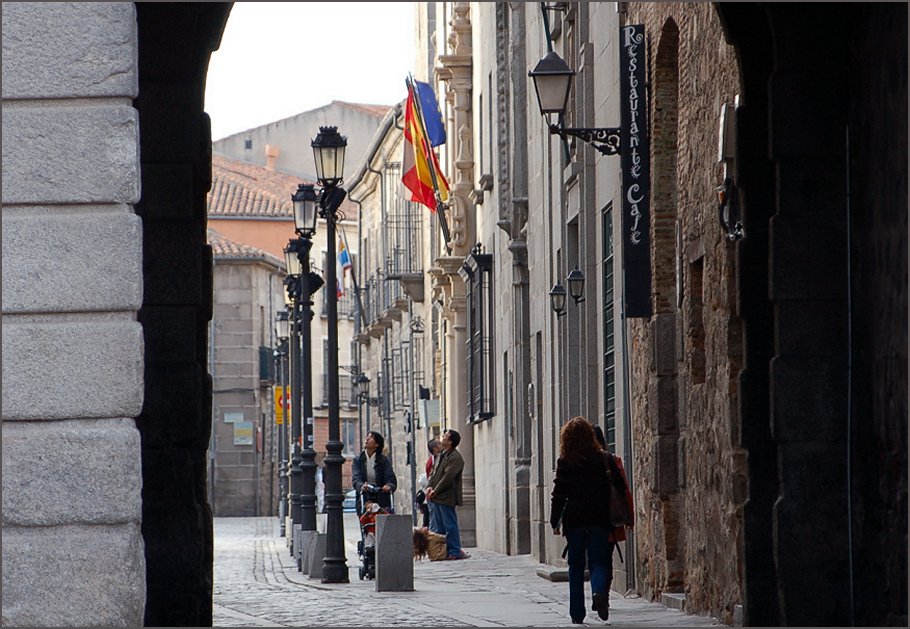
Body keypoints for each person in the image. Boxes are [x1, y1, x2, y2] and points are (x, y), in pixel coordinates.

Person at [549, 417, 627, 624]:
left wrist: (554, 521)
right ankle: (598, 592)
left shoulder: (564, 462)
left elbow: (558, 494)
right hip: (600, 519)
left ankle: (577, 613)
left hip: (574, 520)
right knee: (598, 561)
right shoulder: (604, 459)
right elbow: (619, 487)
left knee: (575, 566)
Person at [591, 424, 635, 619]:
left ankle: (597, 591)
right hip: (609, 520)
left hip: (588, 521)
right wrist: (629, 517)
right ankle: (603, 595)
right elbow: (625, 491)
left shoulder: (579, 463)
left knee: (593, 560)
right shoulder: (612, 461)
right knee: (605, 559)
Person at [424, 429, 469, 560]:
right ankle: (442, 551)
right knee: (439, 526)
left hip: (446, 496)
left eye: (445, 437)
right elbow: (434, 473)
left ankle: (455, 550)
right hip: (436, 496)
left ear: (450, 442)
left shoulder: (455, 458)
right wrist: (428, 487)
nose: (442, 438)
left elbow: (447, 477)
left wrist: (435, 491)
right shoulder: (442, 454)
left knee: (450, 524)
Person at [351, 431, 397, 516]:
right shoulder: (358, 461)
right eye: (367, 437)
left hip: (381, 495)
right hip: (366, 495)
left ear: (376, 444)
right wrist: (361, 485)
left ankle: (377, 508)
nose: (367, 439)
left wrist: (389, 485)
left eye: (371, 437)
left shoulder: (383, 461)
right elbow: (356, 478)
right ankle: (372, 507)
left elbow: (391, 478)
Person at [424, 438, 442, 532]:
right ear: (435, 448)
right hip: (433, 495)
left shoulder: (438, 459)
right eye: (439, 443)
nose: (441, 443)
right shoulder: (431, 462)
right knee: (434, 522)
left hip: (435, 495)